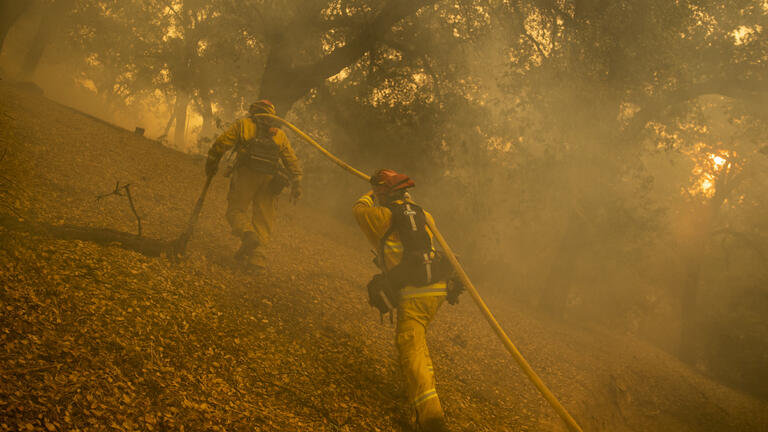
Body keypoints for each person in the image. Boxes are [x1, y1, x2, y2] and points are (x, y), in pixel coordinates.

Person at [353, 169, 451, 432]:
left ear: (384, 193)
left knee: (410, 346)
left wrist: (370, 194)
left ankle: (431, 418)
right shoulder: (424, 215)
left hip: (414, 291)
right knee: (417, 342)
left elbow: (358, 210)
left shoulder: (381, 215)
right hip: (437, 289)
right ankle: (419, 399)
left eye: (380, 191)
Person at [205, 100, 302, 271]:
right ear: (271, 115)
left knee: (235, 210)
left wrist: (212, 162)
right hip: (270, 179)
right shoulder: (279, 134)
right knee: (264, 219)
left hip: (246, 175)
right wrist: (297, 181)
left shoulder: (244, 125)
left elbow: (221, 143)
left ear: (253, 112)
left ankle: (247, 234)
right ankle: (258, 260)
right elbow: (291, 160)